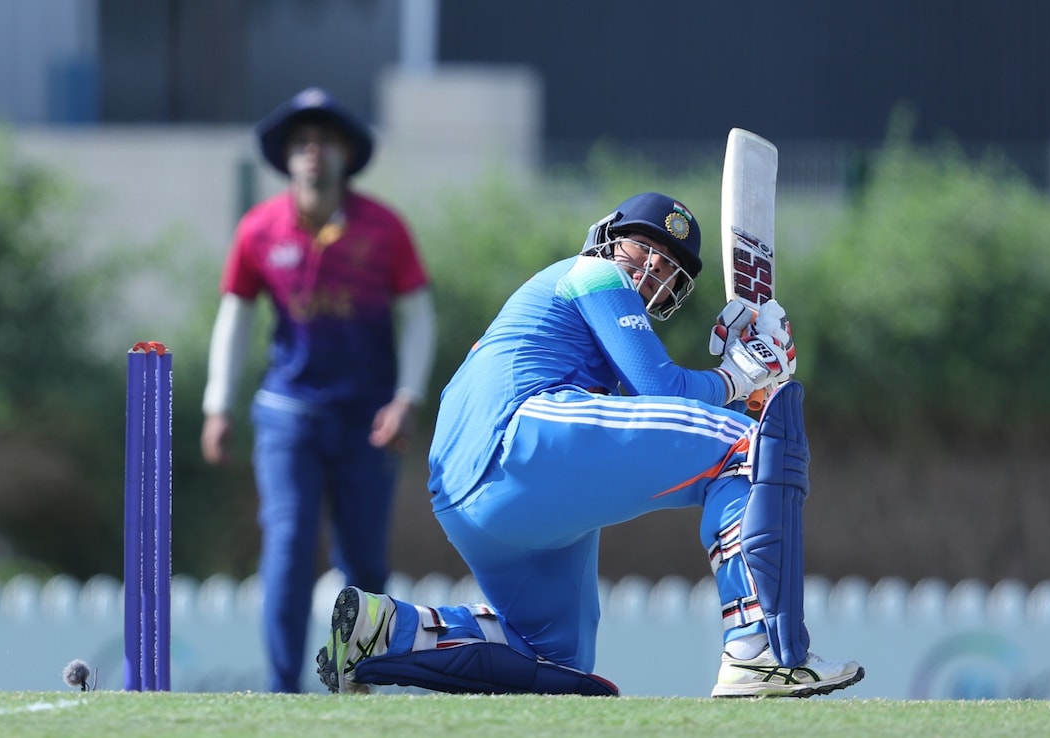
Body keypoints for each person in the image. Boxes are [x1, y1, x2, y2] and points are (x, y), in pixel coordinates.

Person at [315, 192, 864, 698]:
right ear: (608, 237)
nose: (652, 266)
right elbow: (664, 391)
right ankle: (757, 648)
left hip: (469, 495)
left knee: (553, 662)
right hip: (517, 434)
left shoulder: (592, 324)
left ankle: (383, 631)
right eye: (644, 245)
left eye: (668, 265)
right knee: (749, 448)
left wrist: (749, 381)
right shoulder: (592, 272)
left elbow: (656, 419)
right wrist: (741, 374)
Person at [200, 87, 436, 693]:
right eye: (303, 142)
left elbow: (419, 315)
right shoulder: (259, 229)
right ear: (287, 156)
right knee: (287, 544)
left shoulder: (384, 229)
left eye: (325, 141)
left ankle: (356, 684)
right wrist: (217, 404)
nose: (313, 152)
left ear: (346, 154)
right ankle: (284, 693)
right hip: (287, 414)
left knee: (364, 563)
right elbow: (236, 316)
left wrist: (406, 398)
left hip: (368, 417)